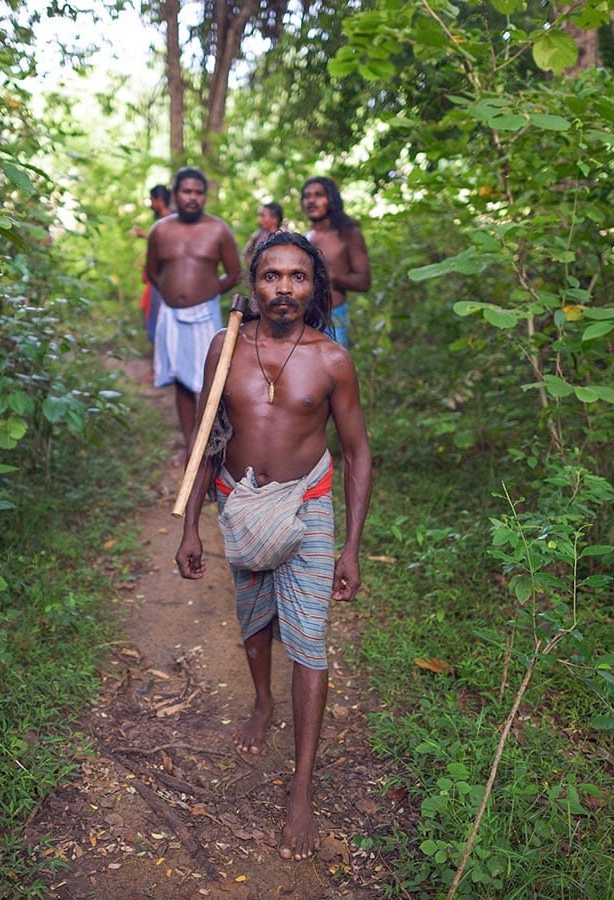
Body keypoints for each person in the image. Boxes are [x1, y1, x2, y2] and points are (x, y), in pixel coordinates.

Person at [175, 231, 372, 861]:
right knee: (254, 618)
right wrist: (188, 527)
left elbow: (358, 451)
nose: (283, 288)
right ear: (251, 283)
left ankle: (302, 789)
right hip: (240, 500)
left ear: (315, 286)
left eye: (297, 277)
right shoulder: (223, 347)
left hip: (308, 507)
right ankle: (262, 700)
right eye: (270, 276)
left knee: (309, 640)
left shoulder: (331, 360)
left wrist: (352, 547)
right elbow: (207, 434)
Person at [146, 166, 242, 463]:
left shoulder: (218, 230)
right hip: (171, 315)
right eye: (187, 191)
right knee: (181, 381)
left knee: (212, 381)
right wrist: (174, 295)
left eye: (199, 192)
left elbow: (234, 273)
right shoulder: (160, 230)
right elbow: (152, 272)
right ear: (175, 194)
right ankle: (191, 448)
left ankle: (214, 446)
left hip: (205, 315)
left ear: (205, 196)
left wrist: (206, 292)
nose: (193, 198)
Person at [301, 177, 371, 348]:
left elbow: (364, 282)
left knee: (334, 373)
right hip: (302, 319)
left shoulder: (347, 234)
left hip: (333, 318)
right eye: (307, 196)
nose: (311, 201)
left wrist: (331, 277)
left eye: (318, 195)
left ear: (331, 199)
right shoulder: (304, 238)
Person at [133, 185, 174, 343]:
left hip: (164, 279)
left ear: (160, 200)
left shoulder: (169, 220)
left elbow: (167, 246)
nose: (151, 204)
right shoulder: (162, 221)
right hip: (157, 278)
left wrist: (145, 236)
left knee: (160, 321)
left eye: (152, 200)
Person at [241, 201, 284, 268]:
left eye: (263, 216)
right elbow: (246, 252)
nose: (259, 219)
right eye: (259, 216)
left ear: (274, 219)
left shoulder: (283, 237)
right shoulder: (258, 234)